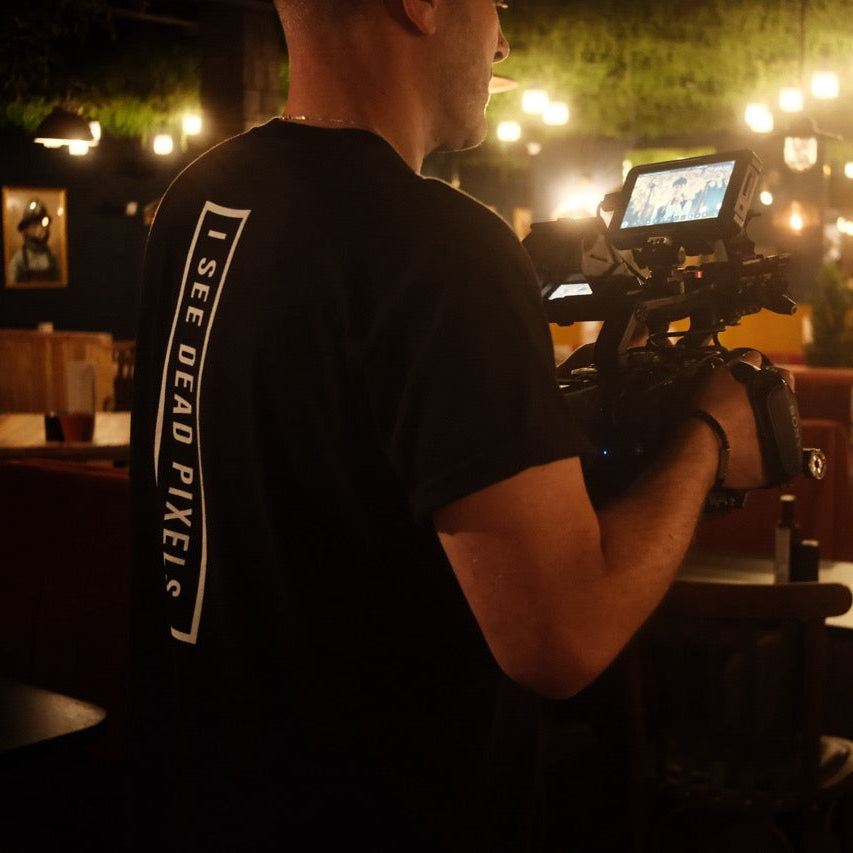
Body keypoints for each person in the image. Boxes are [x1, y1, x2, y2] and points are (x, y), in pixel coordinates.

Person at [129, 1, 777, 850]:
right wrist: (711, 432)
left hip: (209, 795)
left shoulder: (202, 197)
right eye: (495, 4)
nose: (502, 39)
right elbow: (560, 638)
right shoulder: (439, 248)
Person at [7, 198, 60, 283]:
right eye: (34, 225)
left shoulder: (52, 257)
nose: (40, 229)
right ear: (26, 230)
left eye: (42, 223)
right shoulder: (18, 260)